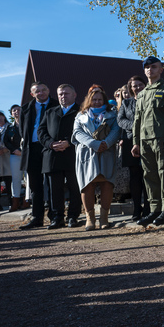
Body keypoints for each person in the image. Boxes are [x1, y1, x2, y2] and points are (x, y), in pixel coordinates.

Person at [132, 57, 164, 226]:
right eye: (147, 67)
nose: (150, 70)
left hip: (162, 139)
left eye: (154, 67)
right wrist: (136, 142)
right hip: (145, 141)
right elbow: (137, 120)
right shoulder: (142, 94)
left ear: (161, 69)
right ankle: (154, 210)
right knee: (149, 175)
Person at [72, 84, 120, 230]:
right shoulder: (80, 116)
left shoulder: (112, 114)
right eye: (94, 100)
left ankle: (104, 218)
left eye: (100, 100)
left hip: (107, 151)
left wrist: (106, 143)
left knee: (107, 183)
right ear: (89, 100)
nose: (97, 102)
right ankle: (90, 219)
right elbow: (77, 133)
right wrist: (94, 144)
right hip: (87, 153)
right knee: (87, 185)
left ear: (104, 101)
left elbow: (116, 130)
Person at [39, 84, 82, 229]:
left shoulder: (81, 111)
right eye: (60, 94)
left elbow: (85, 130)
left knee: (74, 187)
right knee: (54, 189)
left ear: (74, 95)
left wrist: (69, 142)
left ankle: (73, 217)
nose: (63, 96)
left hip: (73, 154)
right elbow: (41, 131)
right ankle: (57, 217)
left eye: (66, 93)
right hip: (53, 155)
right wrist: (50, 144)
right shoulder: (50, 112)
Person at [18, 83, 59, 229]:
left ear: (49, 91)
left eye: (43, 90)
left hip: (50, 147)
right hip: (32, 149)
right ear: (32, 94)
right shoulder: (25, 108)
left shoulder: (56, 105)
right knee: (35, 186)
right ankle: (37, 217)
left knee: (52, 183)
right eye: (37, 91)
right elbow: (22, 131)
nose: (41, 93)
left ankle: (55, 216)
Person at [118, 75, 148, 223]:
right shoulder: (127, 103)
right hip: (131, 142)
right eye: (134, 86)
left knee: (148, 175)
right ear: (130, 89)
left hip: (148, 140)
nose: (137, 88)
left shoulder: (150, 99)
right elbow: (120, 120)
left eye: (139, 85)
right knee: (135, 177)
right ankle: (137, 208)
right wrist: (136, 127)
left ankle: (149, 207)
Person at [0, 110, 21, 211]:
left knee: (10, 180)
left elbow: (14, 140)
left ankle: (11, 202)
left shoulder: (10, 127)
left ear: (4, 117)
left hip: (9, 155)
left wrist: (6, 149)